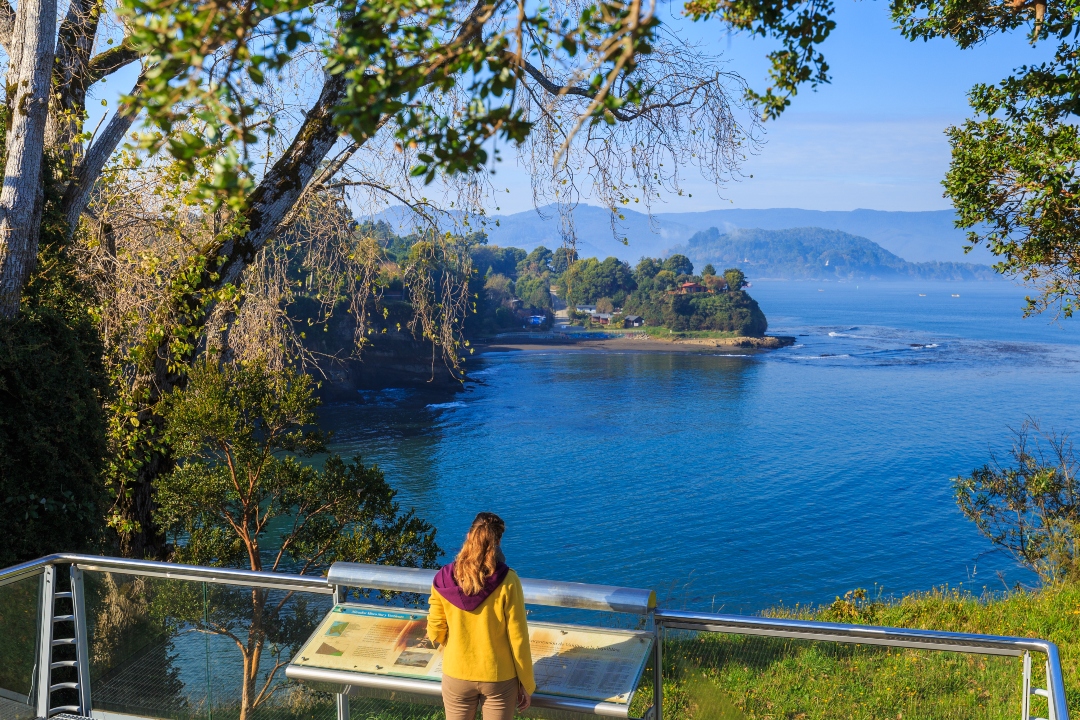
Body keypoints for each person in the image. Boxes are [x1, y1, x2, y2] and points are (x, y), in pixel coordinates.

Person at [427, 512, 535, 720]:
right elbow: (518, 638)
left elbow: (436, 629)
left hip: (457, 672)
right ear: (498, 542)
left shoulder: (443, 578)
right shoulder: (509, 580)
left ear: (469, 536)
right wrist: (527, 683)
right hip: (498, 676)